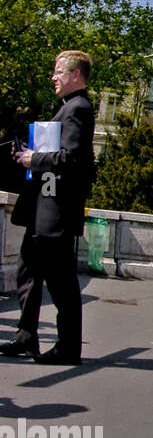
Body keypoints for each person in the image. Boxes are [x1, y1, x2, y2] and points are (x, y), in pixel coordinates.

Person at [1, 50, 98, 365]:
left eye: (58, 72)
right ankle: (25, 336)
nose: (53, 77)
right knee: (27, 270)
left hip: (55, 213)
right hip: (45, 210)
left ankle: (68, 348)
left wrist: (34, 158)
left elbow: (73, 158)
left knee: (61, 283)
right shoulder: (70, 108)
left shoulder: (78, 109)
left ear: (75, 76)